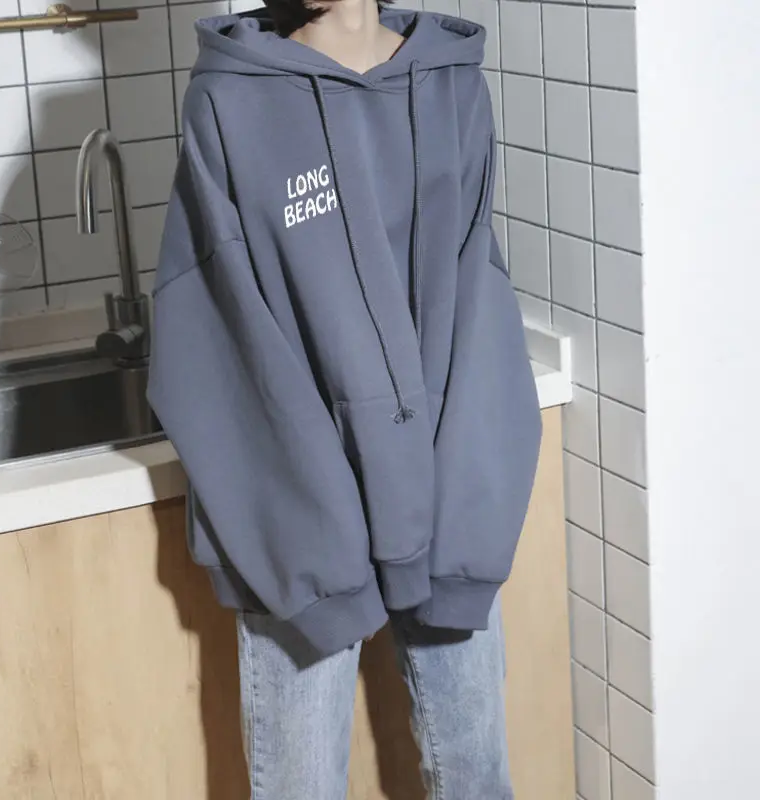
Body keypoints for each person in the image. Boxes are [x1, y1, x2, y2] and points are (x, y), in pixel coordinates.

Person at [148, 0, 541, 797]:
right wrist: (312, 551)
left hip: (443, 506)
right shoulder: (230, 98)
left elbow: (475, 296)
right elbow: (220, 338)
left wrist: (469, 508)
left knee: (477, 778)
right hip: (298, 526)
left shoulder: (453, 84)